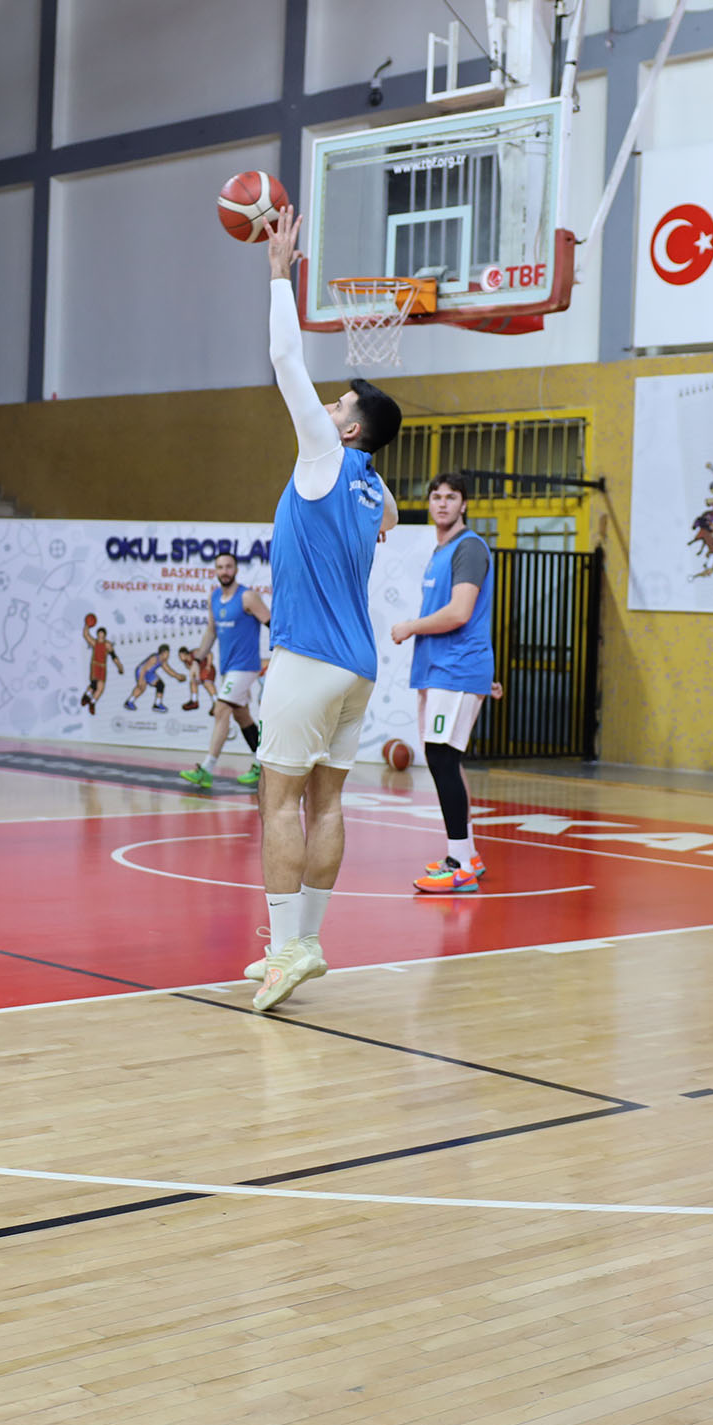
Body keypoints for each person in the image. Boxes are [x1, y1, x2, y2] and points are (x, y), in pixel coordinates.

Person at [245, 207, 400, 1012]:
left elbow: (283, 356)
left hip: (307, 658)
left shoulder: (326, 457)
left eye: (338, 406)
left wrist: (280, 272)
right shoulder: (374, 489)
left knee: (277, 801)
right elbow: (392, 513)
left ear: (351, 427)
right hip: (359, 666)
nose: (329, 410)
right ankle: (305, 939)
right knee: (328, 800)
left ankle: (285, 949)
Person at [389, 472, 498, 894]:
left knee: (441, 758)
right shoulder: (443, 550)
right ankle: (466, 855)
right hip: (444, 670)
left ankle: (460, 865)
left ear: (464, 504)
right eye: (436, 496)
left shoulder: (468, 547)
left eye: (451, 497)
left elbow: (460, 613)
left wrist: (409, 626)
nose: (442, 503)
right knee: (445, 758)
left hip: (455, 670)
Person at [181, 548, 270, 790]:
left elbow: (272, 623)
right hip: (228, 668)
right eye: (220, 567)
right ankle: (263, 765)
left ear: (236, 569)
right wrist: (198, 658)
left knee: (221, 710)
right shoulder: (214, 597)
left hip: (246, 667)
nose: (225, 571)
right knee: (242, 716)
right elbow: (211, 631)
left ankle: (206, 770)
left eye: (229, 566)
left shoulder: (247, 597)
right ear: (216, 571)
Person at [124, 644, 184, 712]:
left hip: (149, 673)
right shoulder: (154, 658)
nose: (168, 656)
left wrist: (177, 676)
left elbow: (168, 670)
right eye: (167, 653)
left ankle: (157, 704)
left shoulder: (163, 661)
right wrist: (140, 679)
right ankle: (129, 702)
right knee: (141, 688)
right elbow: (143, 669)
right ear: (163, 653)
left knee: (160, 685)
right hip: (141, 672)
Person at [80, 618, 122, 714]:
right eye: (99, 636)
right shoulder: (94, 643)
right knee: (95, 685)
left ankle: (90, 701)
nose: (100, 638)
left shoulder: (107, 645)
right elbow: (86, 635)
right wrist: (87, 625)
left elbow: (114, 657)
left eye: (102, 637)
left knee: (100, 688)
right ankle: (87, 699)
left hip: (102, 668)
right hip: (95, 666)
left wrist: (120, 666)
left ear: (105, 636)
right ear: (97, 636)